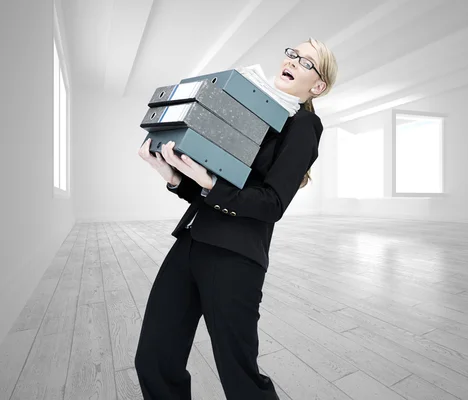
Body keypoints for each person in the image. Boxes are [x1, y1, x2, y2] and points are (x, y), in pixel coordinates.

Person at [135, 37, 338, 400]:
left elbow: (271, 203)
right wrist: (174, 177)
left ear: (318, 85)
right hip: (192, 241)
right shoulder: (256, 112)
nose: (292, 61)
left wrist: (209, 183)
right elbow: (214, 189)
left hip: (235, 256)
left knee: (239, 376)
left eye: (306, 62)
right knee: (154, 358)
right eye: (292, 53)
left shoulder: (303, 126)